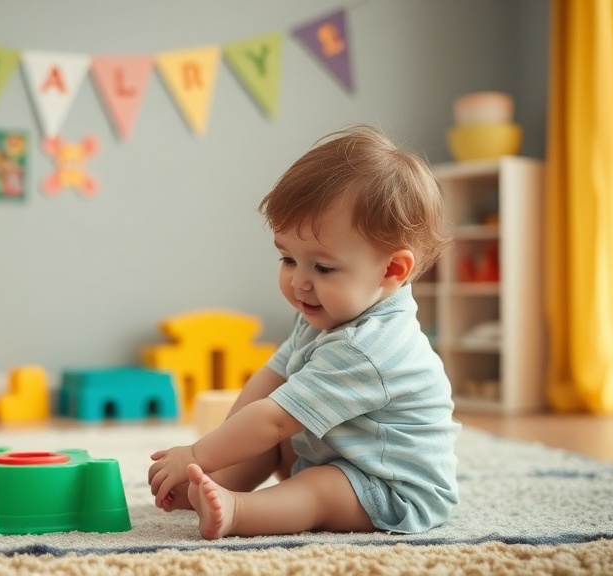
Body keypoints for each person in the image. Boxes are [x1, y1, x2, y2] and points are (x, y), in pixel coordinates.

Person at [147, 124, 460, 540]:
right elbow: (267, 385)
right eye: (288, 259)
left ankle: (239, 511)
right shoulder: (325, 313)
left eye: (323, 267)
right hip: (333, 449)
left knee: (320, 486)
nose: (299, 283)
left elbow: (275, 419)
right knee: (268, 442)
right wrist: (208, 462)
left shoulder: (367, 347)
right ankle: (216, 487)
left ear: (391, 270)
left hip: (391, 488)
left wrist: (197, 452)